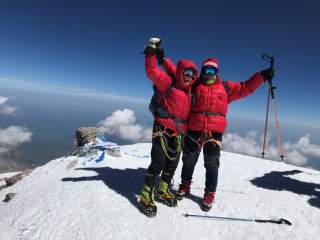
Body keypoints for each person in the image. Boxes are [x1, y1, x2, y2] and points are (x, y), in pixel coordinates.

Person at [162, 55, 274, 211]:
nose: (209, 73)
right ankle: (185, 185)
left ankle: (209, 194)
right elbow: (178, 73)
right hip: (194, 129)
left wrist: (261, 76)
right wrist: (164, 61)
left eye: (212, 70)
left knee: (212, 164)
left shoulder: (226, 87)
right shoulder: (194, 85)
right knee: (188, 160)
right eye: (206, 70)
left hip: (214, 134)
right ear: (201, 72)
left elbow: (245, 87)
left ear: (217, 72)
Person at [138, 38, 198, 217]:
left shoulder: (189, 90)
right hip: (162, 128)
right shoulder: (168, 83)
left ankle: (162, 190)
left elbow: (172, 68)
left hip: (179, 133)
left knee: (172, 163)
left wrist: (164, 59)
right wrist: (150, 53)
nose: (188, 76)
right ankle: (145, 196)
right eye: (185, 73)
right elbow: (152, 72)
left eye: (191, 74)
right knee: (158, 162)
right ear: (181, 73)